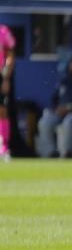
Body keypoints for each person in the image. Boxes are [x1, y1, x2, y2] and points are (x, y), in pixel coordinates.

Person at [0, 24, 16, 161]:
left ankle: (3, 147)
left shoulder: (3, 31)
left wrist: (5, 77)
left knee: (1, 111)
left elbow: (10, 54)